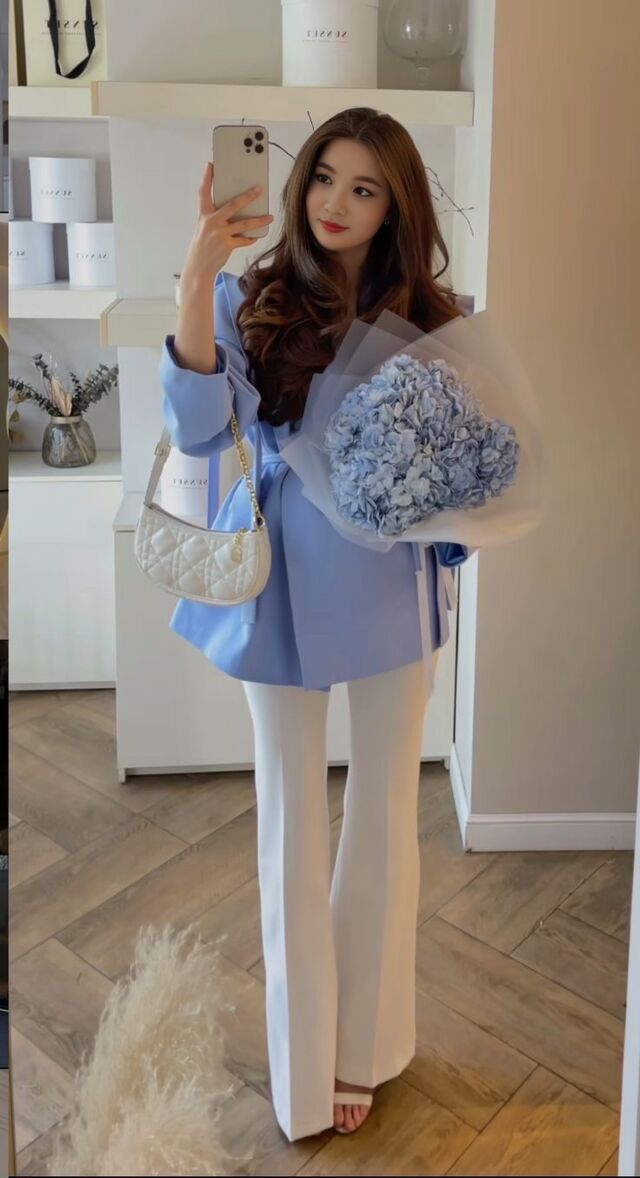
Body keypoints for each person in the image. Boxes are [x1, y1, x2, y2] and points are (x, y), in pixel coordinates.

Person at [159, 107, 473, 1142]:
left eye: (364, 188)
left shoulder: (433, 315)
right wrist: (196, 272)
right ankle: (302, 1074)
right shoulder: (248, 296)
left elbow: (460, 462)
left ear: (395, 207)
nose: (336, 203)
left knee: (382, 814)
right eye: (325, 177)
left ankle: (363, 1048)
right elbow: (198, 429)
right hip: (280, 580)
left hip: (390, 583)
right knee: (290, 819)